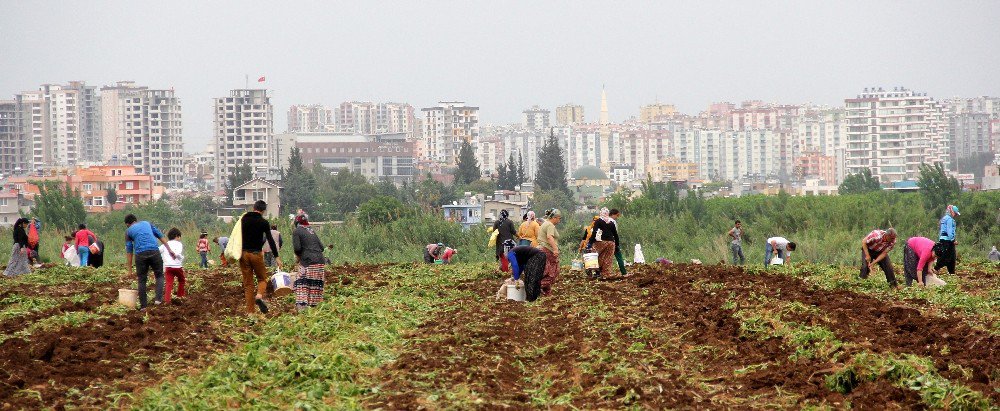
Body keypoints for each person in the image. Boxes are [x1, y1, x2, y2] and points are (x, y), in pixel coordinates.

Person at [125, 214, 176, 309]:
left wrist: (129, 269)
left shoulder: (128, 231)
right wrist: (169, 250)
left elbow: (129, 250)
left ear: (127, 224)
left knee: (142, 280)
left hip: (140, 255)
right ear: (136, 220)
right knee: (159, 276)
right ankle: (158, 300)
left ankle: (143, 306)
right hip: (154, 252)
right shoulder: (147, 223)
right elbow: (160, 236)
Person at [239, 200, 282, 315]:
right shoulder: (263, 222)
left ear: (254, 207)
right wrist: (277, 257)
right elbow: (270, 240)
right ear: (263, 210)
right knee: (262, 279)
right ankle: (258, 296)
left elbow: (236, 237)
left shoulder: (243, 219)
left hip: (243, 254)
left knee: (248, 284)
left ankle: (250, 313)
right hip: (256, 254)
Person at [292, 214, 326, 311]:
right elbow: (322, 247)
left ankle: (302, 310)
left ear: (296, 223)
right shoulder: (311, 230)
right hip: (320, 261)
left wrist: (298, 258)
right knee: (315, 286)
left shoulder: (297, 231)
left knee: (301, 283)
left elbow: (297, 248)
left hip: (308, 262)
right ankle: (313, 310)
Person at [586, 208, 619, 279]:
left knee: (595, 255)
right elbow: (615, 235)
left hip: (601, 241)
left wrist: (590, 243)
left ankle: (596, 272)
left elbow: (594, 232)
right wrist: (617, 245)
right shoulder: (611, 222)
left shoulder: (598, 221)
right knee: (608, 258)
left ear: (601, 213)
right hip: (611, 243)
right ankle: (606, 274)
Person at [537, 208, 562, 296]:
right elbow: (549, 237)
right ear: (554, 217)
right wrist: (555, 249)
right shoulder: (550, 225)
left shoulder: (545, 223)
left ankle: (546, 292)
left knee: (546, 271)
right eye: (559, 218)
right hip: (547, 249)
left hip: (541, 249)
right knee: (553, 272)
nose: (559, 220)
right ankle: (537, 286)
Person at [159, 228, 186, 303]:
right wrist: (181, 258)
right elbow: (178, 253)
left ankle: (167, 300)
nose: (179, 238)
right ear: (177, 236)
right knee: (182, 280)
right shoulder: (179, 244)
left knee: (169, 283)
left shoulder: (165, 244)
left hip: (168, 267)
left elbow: (158, 251)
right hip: (177, 267)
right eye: (179, 237)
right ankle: (180, 296)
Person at [935, 205, 960, 275]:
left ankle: (952, 273)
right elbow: (949, 231)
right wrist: (953, 240)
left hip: (943, 239)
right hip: (947, 241)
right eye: (955, 213)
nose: (955, 215)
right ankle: (935, 269)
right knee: (945, 256)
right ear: (952, 212)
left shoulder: (944, 218)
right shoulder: (949, 220)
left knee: (952, 257)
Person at [609, 209, 627, 277]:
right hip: (612, 241)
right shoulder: (613, 222)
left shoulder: (604, 221)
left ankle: (604, 273)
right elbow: (615, 233)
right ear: (613, 214)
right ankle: (624, 273)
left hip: (604, 242)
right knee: (619, 257)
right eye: (617, 215)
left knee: (605, 259)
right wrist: (616, 243)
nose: (617, 217)